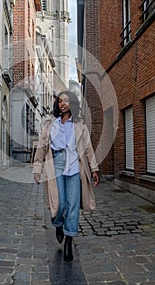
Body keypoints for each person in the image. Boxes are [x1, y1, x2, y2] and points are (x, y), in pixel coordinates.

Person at [33, 90, 100, 262]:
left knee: (72, 204)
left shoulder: (80, 125)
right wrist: (37, 168)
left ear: (73, 104)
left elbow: (87, 148)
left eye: (67, 101)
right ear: (57, 104)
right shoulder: (50, 123)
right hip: (56, 163)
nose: (63, 104)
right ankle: (58, 224)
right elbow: (41, 147)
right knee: (59, 202)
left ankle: (69, 240)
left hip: (75, 166)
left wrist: (94, 168)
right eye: (60, 101)